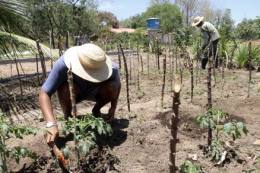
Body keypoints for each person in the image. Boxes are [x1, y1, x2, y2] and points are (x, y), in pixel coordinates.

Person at [39, 43, 121, 145]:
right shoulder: (63, 64)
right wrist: (51, 123)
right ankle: (68, 118)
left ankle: (96, 110)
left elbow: (117, 86)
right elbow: (44, 93)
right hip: (74, 92)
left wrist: (113, 108)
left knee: (112, 86)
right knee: (64, 88)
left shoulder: (111, 68)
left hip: (96, 91)